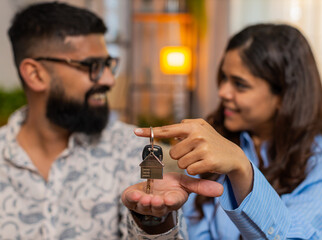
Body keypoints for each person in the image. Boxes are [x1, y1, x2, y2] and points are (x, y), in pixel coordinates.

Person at [1, 2, 223, 239]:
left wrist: (154, 221)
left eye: (108, 65)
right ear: (36, 75)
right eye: (92, 66)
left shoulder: (132, 150)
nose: (109, 80)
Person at [126, 24, 322, 239]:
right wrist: (157, 219)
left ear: (284, 95)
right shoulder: (212, 151)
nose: (224, 92)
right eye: (223, 78)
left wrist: (242, 169)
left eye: (240, 84)